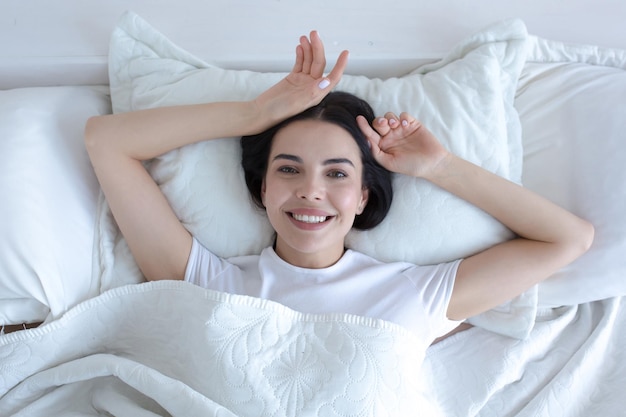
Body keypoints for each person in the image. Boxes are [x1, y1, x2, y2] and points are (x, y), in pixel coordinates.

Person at [84, 31, 593, 343]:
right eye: (287, 169)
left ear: (364, 195)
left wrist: (440, 168)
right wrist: (253, 114)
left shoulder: (412, 293)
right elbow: (105, 141)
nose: (310, 190)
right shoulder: (209, 282)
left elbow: (568, 239)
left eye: (337, 173)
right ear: (261, 189)